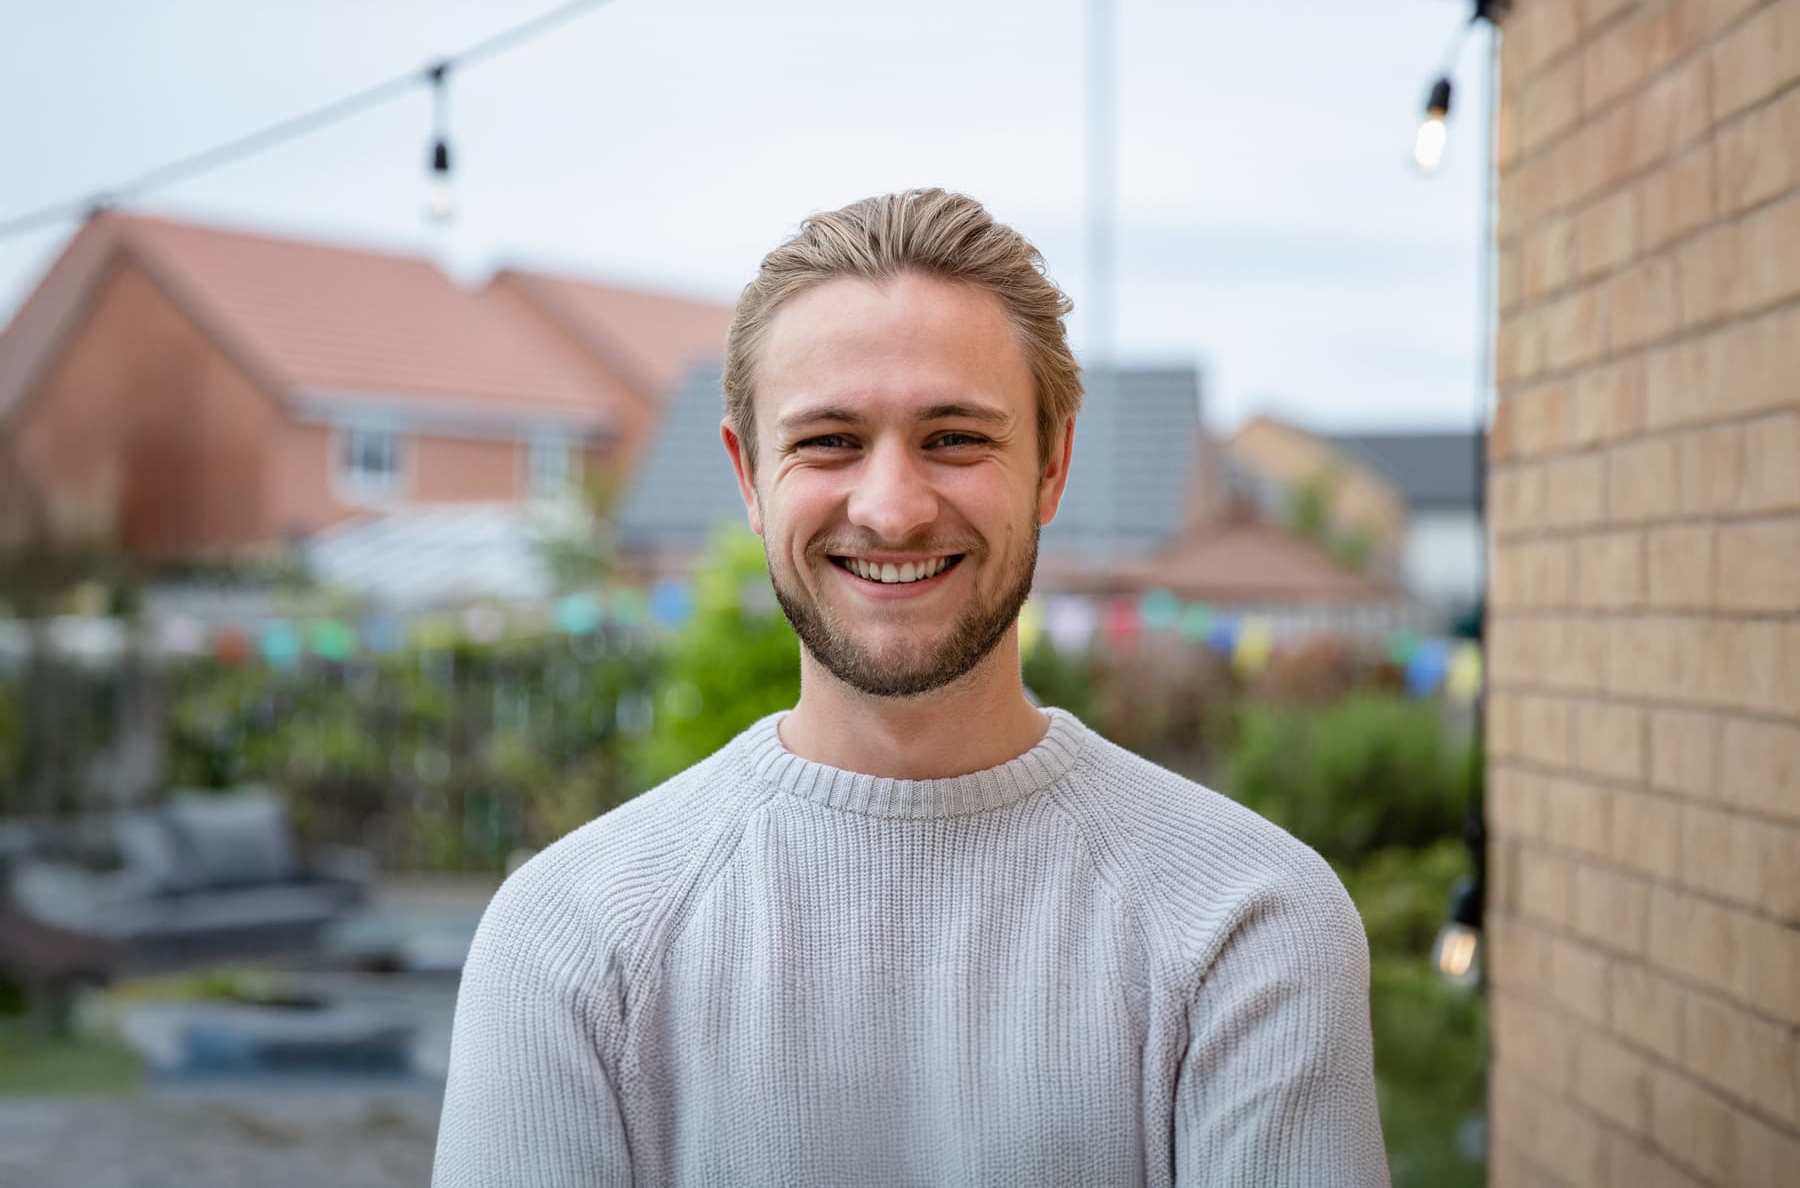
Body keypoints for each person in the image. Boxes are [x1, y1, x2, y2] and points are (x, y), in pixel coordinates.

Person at [432, 189, 1389, 1187]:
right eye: (830, 440)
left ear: (1052, 464)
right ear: (749, 474)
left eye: (954, 438)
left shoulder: (1248, 920)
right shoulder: (568, 939)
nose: (890, 508)